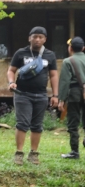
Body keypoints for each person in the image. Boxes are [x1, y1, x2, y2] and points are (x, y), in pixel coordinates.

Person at [8, 26, 58, 165]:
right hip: (22, 94)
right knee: (22, 123)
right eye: (34, 36)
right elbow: (11, 70)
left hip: (41, 95)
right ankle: (19, 153)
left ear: (45, 39)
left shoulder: (50, 55)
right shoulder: (21, 53)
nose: (37, 39)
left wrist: (55, 95)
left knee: (37, 125)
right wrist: (11, 82)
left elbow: (53, 75)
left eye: (40, 37)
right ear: (29, 38)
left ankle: (34, 154)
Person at [58, 37, 85, 159]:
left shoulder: (68, 61)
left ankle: (75, 152)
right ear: (83, 48)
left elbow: (64, 82)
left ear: (70, 48)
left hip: (74, 94)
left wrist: (61, 99)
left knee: (73, 123)